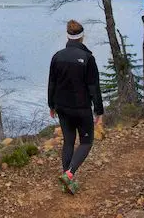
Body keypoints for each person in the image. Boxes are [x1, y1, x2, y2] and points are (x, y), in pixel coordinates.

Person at [48, 19, 104, 194]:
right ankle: (70, 174)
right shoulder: (88, 58)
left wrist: (51, 105)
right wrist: (99, 110)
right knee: (86, 142)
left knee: (69, 142)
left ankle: (67, 179)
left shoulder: (57, 56)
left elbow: (52, 83)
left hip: (62, 107)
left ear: (67, 36)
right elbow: (94, 87)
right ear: (82, 37)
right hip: (81, 108)